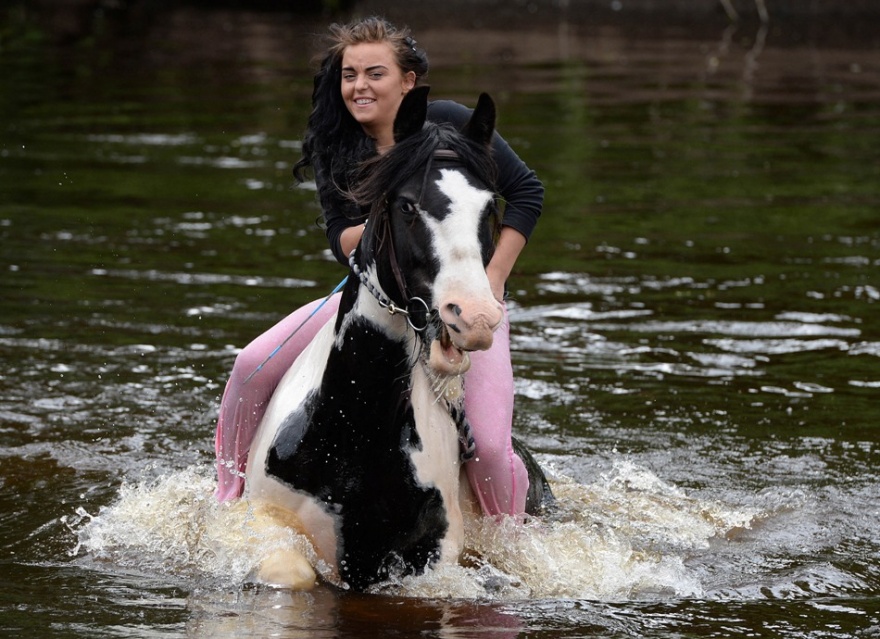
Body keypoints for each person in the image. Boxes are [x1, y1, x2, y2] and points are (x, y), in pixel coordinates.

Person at [214, 17, 544, 517]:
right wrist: (399, 203)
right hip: (372, 295)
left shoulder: (453, 124)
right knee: (250, 366)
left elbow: (526, 192)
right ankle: (229, 501)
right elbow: (341, 239)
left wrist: (493, 279)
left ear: (408, 82)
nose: (359, 86)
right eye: (349, 75)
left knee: (492, 447)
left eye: (375, 73)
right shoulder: (337, 143)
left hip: (459, 299)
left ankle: (514, 541)